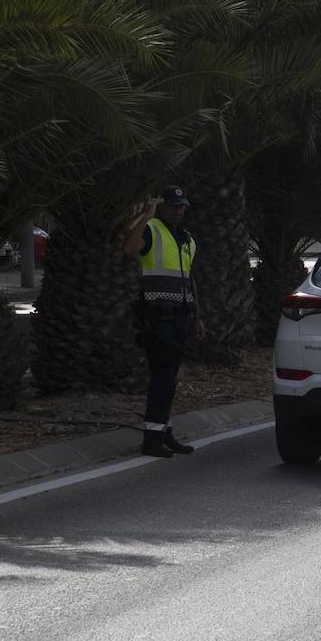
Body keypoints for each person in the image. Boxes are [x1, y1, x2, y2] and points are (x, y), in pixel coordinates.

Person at [121, 186, 204, 458]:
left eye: (181, 206)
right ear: (163, 206)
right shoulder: (152, 229)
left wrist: (197, 318)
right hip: (157, 317)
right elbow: (131, 249)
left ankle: (163, 433)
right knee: (162, 378)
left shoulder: (187, 240)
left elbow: (189, 281)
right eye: (173, 205)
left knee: (169, 379)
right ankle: (152, 438)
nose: (178, 211)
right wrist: (146, 215)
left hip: (181, 316)